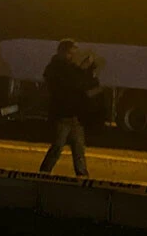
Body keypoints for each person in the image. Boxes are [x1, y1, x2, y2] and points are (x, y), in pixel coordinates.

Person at [38, 39, 100, 177]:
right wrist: (82, 70)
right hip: (62, 116)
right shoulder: (54, 68)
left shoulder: (70, 68)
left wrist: (89, 70)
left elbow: (83, 84)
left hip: (74, 116)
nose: (72, 57)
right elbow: (68, 83)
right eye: (69, 53)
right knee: (57, 147)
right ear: (61, 52)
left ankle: (82, 176)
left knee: (79, 150)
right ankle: (43, 174)